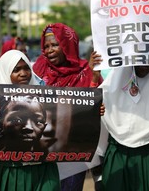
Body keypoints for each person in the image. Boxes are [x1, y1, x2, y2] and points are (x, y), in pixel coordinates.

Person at [33, 23, 103, 191]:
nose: (49, 50)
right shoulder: (38, 69)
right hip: (43, 152)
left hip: (73, 155)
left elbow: (93, 103)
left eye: (55, 45)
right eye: (46, 46)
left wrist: (94, 78)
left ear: (67, 45)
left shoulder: (87, 71)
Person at [0, 50, 60, 190]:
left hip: (45, 171)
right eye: (16, 70)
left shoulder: (47, 98)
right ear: (6, 73)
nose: (23, 73)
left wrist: (93, 110)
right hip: (13, 172)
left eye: (26, 68)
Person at [98, 65, 149, 191]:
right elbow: (93, 118)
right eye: (139, 61)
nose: (144, 66)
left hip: (145, 155)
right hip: (117, 153)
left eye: (148, 61)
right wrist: (97, 109)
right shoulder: (109, 89)